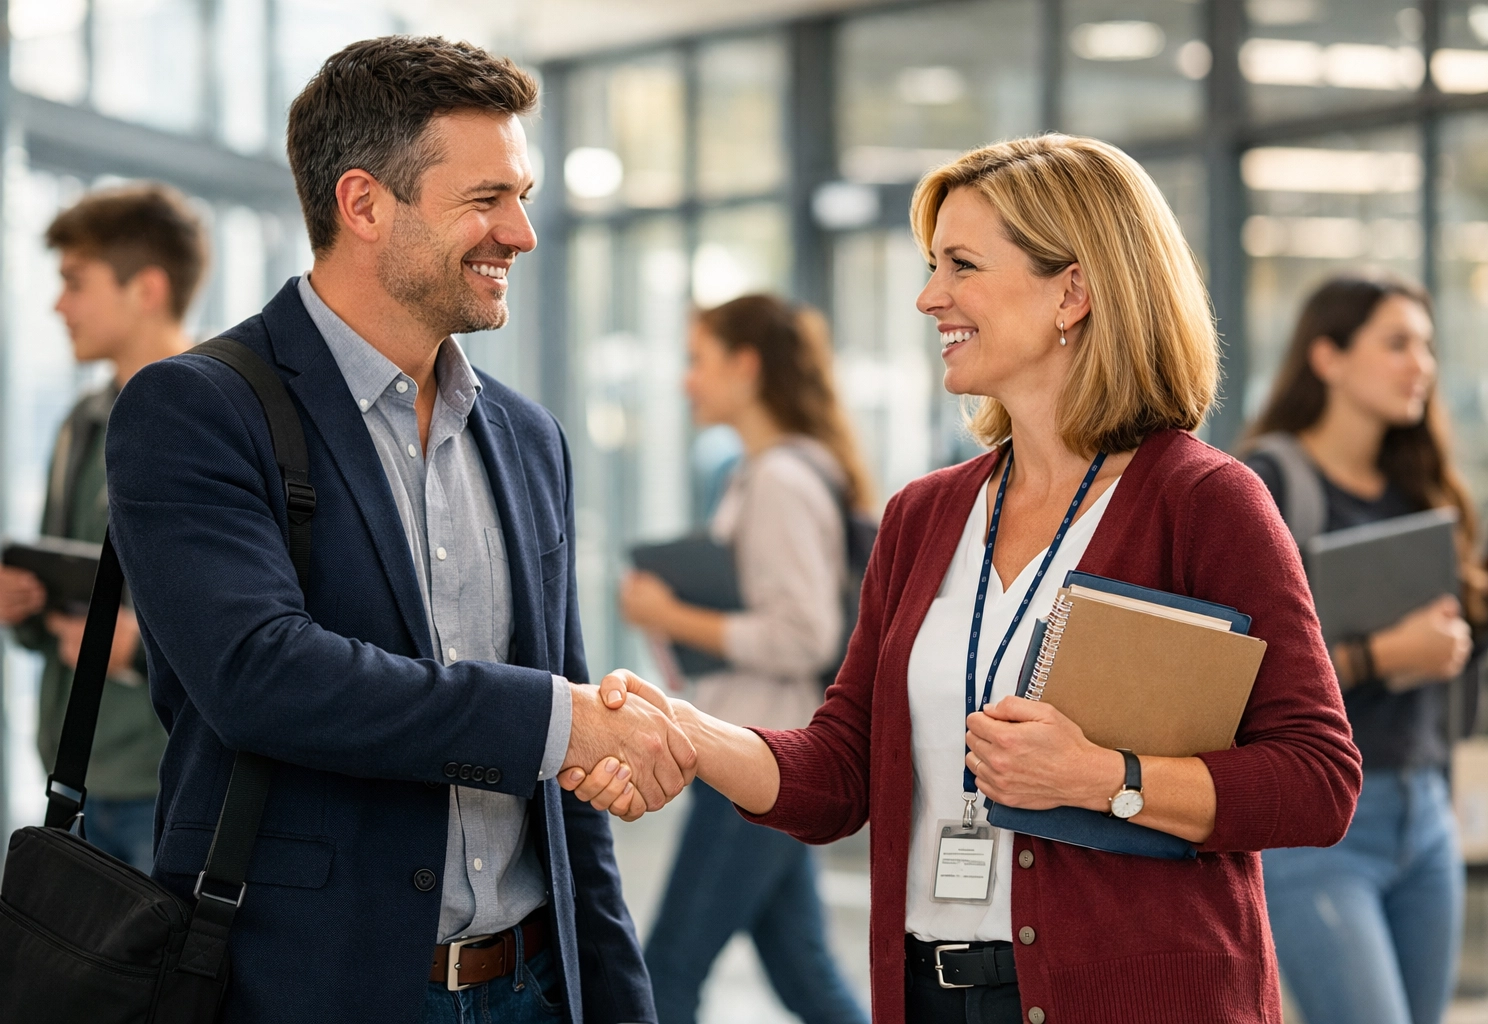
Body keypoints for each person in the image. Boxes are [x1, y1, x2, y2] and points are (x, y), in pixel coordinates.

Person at [562, 134, 1363, 1024]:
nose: (928, 296)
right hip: (929, 994)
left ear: (1073, 291)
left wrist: (1104, 777)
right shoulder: (923, 515)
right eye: (931, 265)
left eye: (962, 265)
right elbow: (843, 771)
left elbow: (1318, 780)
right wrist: (687, 731)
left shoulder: (1203, 502)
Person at [102, 37, 694, 1023]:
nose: (521, 233)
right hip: (315, 990)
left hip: (533, 985)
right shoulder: (195, 409)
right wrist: (558, 720)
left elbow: (566, 799)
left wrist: (618, 1000)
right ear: (364, 204)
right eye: (486, 199)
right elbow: (261, 676)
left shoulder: (528, 437)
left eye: (522, 196)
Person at [618, 294, 871, 1024]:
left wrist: (670, 616)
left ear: (746, 366)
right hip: (766, 743)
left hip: (756, 751)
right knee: (804, 973)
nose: (686, 380)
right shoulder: (763, 472)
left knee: (665, 977)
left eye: (698, 360)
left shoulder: (780, 480)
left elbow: (804, 635)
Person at [1245, 274, 1482, 1024]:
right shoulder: (1266, 486)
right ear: (1329, 357)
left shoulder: (1422, 488)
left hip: (1426, 811)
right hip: (1321, 826)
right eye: (1397, 343)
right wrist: (1383, 656)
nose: (1422, 365)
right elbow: (1239, 677)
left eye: (1427, 346)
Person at [0, 183, 202, 871]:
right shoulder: (82, 424)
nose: (58, 305)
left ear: (147, 290)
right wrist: (21, 601)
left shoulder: (221, 422)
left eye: (75, 283)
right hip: (74, 776)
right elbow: (64, 586)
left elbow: (273, 620)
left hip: (168, 786)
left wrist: (139, 652)